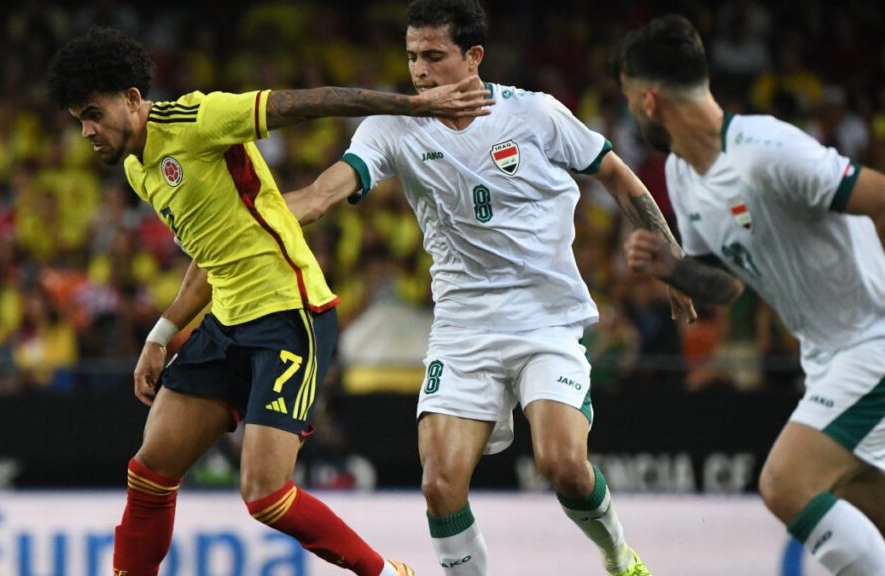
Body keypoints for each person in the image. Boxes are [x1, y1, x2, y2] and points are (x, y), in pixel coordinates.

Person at [47, 26, 494, 576]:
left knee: (264, 495)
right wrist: (161, 334)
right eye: (79, 121)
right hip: (227, 323)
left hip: (290, 315)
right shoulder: (139, 168)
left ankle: (387, 573)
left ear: (134, 100)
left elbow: (311, 104)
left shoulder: (198, 120)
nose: (88, 131)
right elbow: (212, 253)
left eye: (94, 113)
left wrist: (413, 105)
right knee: (150, 471)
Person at [284, 1, 696, 574]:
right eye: (411, 57)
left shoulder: (534, 114)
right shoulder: (391, 126)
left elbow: (614, 173)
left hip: (545, 321)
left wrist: (668, 254)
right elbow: (329, 190)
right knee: (440, 485)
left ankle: (618, 556)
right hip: (462, 328)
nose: (419, 72)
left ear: (473, 57)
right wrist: (277, 214)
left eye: (434, 56)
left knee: (564, 465)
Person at [614, 15, 885, 575]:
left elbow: (880, 197)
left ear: (649, 99)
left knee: (786, 483)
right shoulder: (685, 177)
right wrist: (676, 269)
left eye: (629, 100)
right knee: (864, 507)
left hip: (871, 341)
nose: (632, 114)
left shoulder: (766, 149)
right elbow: (730, 285)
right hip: (826, 357)